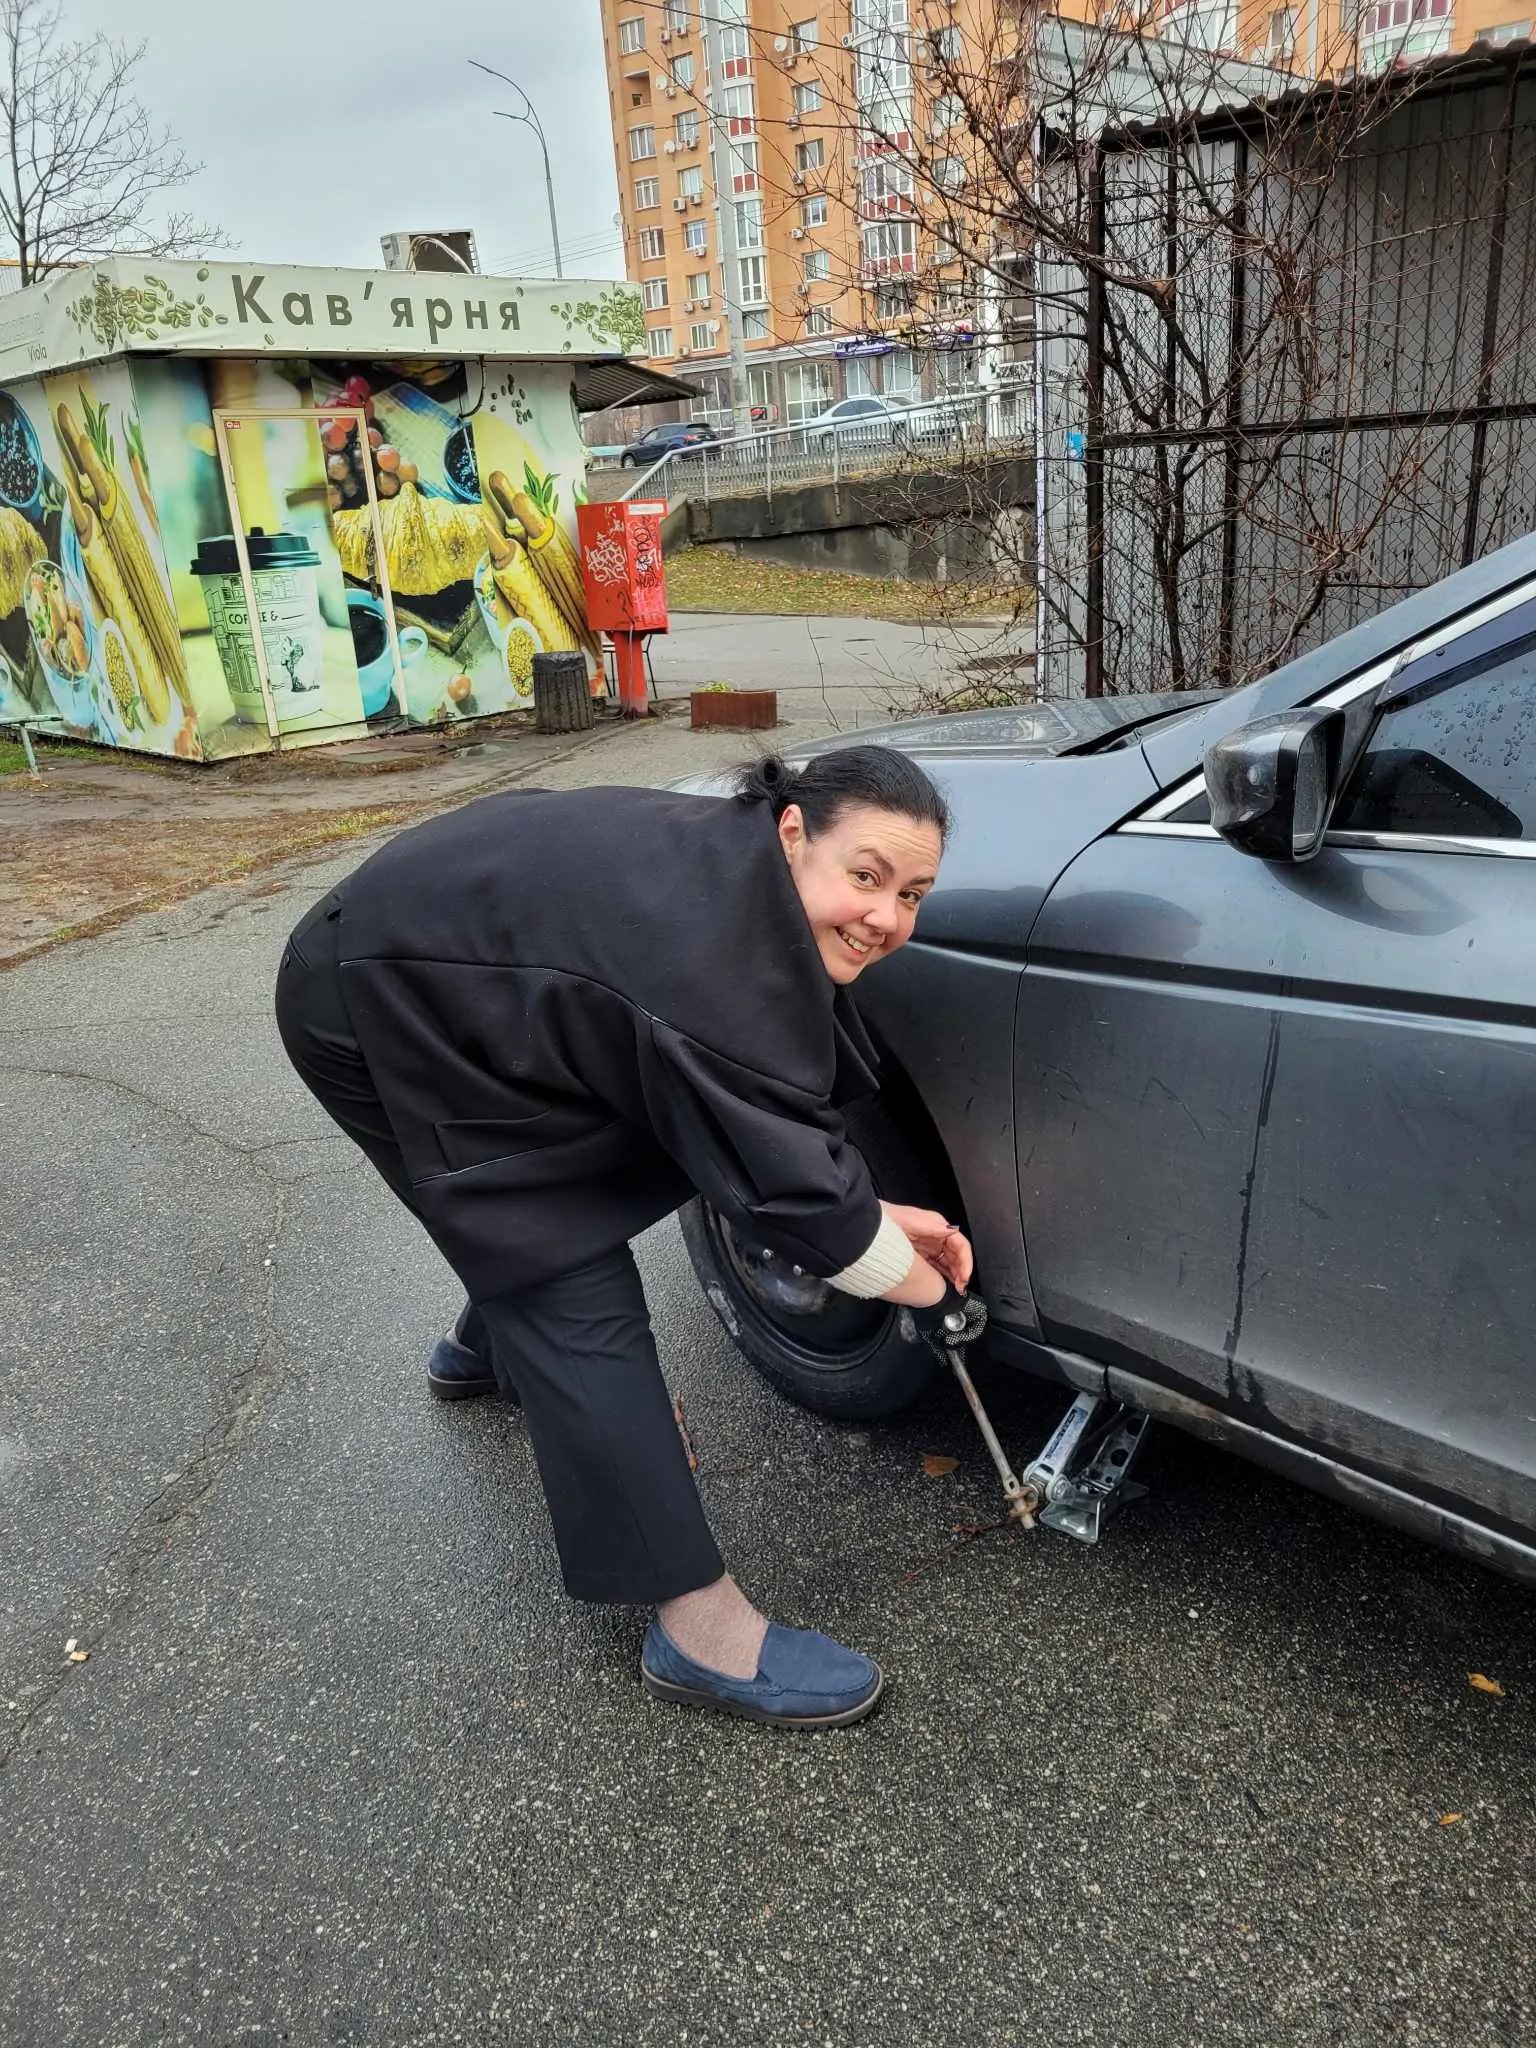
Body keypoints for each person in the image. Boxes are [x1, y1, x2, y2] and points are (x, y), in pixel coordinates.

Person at [274, 747, 985, 1730]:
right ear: (793, 832)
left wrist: (868, 1212)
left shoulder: (743, 876)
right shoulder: (710, 952)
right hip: (372, 998)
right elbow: (785, 1177)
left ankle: (482, 1347)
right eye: (866, 875)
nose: (887, 917)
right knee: (556, 1260)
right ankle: (700, 1633)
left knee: (617, 1153)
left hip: (451, 961)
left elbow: (762, 1132)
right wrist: (928, 1290)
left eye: (912, 894)